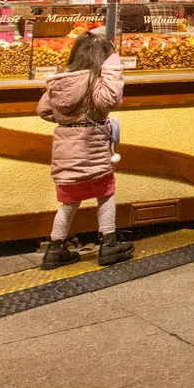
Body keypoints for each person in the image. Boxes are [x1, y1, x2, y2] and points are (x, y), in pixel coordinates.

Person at [37, 31, 133, 269]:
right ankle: (109, 243)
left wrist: (68, 122)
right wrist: (114, 67)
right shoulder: (94, 82)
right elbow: (109, 100)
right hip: (92, 147)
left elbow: (43, 110)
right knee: (106, 192)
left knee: (69, 201)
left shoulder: (60, 80)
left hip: (64, 148)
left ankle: (54, 249)